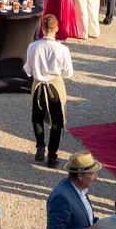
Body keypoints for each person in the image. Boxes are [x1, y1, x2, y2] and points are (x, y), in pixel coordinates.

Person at [26, 14, 75, 167]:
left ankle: (40, 144)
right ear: (56, 29)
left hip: (38, 84)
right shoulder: (62, 48)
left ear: (42, 28)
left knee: (37, 117)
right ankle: (52, 156)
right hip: (55, 86)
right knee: (57, 122)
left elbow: (28, 69)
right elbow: (69, 72)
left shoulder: (33, 46)